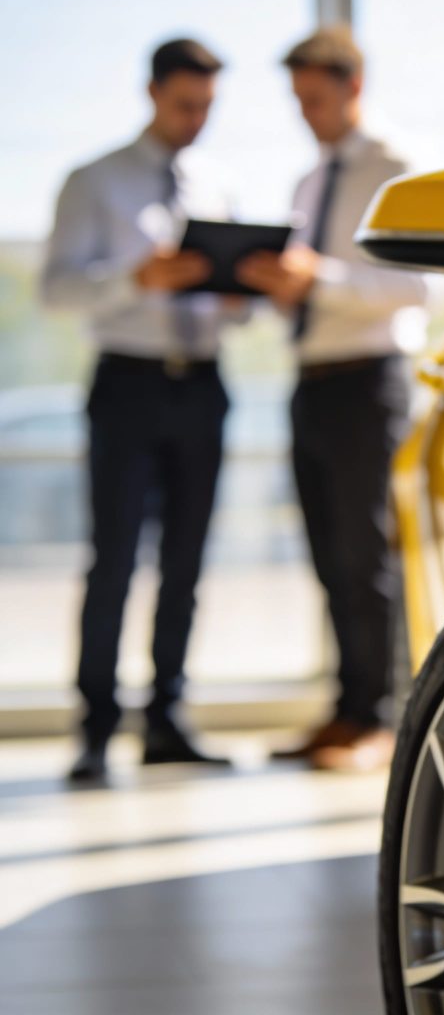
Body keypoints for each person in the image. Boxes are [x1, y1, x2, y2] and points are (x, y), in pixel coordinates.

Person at [42, 38, 241, 782]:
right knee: (116, 559)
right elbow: (56, 290)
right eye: (185, 104)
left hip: (204, 383)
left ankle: (166, 719)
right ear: (153, 93)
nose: (196, 119)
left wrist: (240, 290)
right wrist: (137, 278)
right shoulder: (93, 180)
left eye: (207, 106)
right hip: (127, 383)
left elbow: (236, 308)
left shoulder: (215, 182)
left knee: (186, 562)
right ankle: (96, 728)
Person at [237, 26, 429, 772]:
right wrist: (278, 286)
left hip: (369, 383)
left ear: (353, 86)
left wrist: (320, 278)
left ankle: (382, 720)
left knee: (367, 555)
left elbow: (419, 287)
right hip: (311, 383)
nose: (305, 114)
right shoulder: (308, 182)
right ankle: (348, 711)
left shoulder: (397, 170)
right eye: (297, 100)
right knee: (329, 556)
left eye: (315, 98)